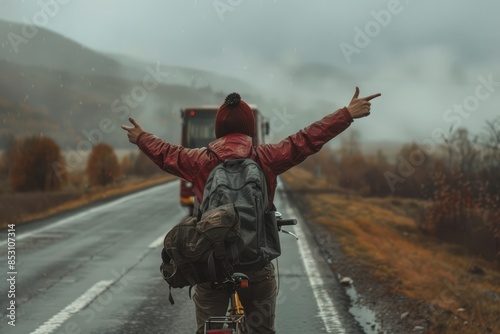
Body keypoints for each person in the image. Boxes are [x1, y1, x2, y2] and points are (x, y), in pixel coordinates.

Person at [121, 87, 381, 334]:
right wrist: (346, 114)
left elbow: (167, 154)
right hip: (255, 264)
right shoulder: (266, 157)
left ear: (218, 129)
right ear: (250, 130)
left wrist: (141, 138)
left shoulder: (200, 160)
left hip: (212, 264)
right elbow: (306, 139)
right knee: (261, 329)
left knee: (209, 326)